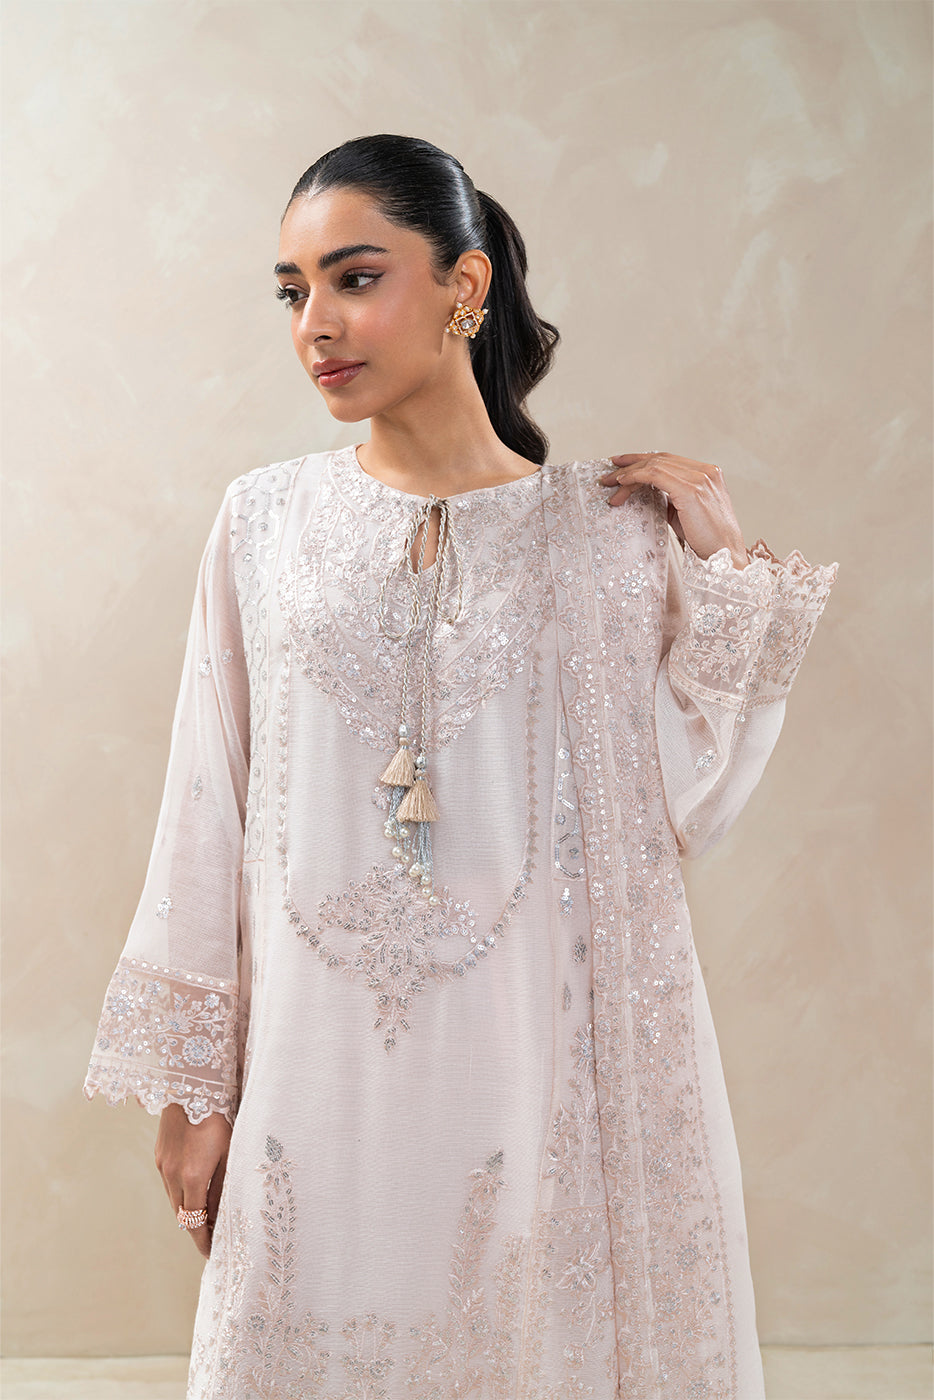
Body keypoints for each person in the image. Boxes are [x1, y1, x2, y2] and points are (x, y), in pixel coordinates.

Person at [84, 134, 837, 1399]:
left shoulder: (603, 534)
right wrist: (194, 1083)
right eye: (293, 291)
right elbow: (204, 800)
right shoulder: (263, 521)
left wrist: (717, 566)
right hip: (313, 1073)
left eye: (355, 277)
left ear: (464, 285)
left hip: (526, 1071)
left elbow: (676, 801)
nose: (316, 324)